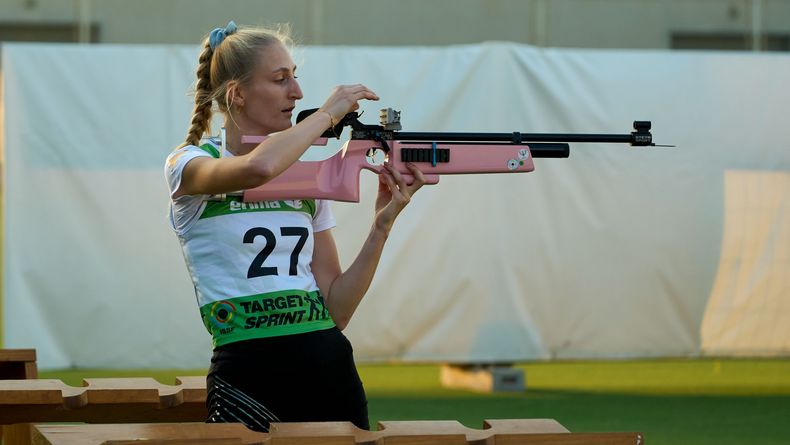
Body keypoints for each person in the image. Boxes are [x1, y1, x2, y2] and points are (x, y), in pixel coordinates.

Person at [164, 21, 425, 432]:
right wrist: (326, 115)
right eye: (280, 79)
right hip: (248, 375)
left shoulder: (306, 181)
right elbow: (258, 167)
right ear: (238, 94)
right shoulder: (188, 165)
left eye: (295, 77)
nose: (297, 92)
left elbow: (336, 310)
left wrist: (381, 225)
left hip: (328, 366)